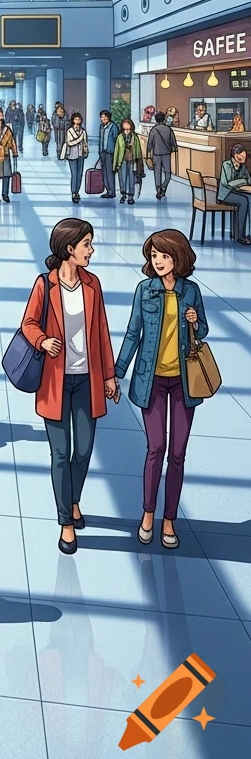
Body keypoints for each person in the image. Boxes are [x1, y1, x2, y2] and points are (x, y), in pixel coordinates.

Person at [19, 218, 117, 555]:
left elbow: (101, 331)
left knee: (85, 449)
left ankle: (73, 499)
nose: (91, 250)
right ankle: (65, 521)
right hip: (56, 382)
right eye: (86, 244)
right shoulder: (44, 286)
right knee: (60, 454)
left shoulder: (93, 284)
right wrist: (43, 341)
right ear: (69, 249)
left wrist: (108, 375)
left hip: (86, 380)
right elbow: (28, 323)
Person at [115, 230, 209, 550]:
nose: (157, 262)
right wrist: (116, 372)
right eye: (154, 256)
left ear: (177, 258)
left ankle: (169, 520)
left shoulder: (191, 291)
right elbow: (132, 333)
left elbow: (205, 330)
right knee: (156, 448)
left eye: (164, 256)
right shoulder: (145, 291)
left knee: (178, 454)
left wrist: (195, 321)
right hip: (151, 380)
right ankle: (148, 513)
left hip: (184, 382)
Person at [216, 141, 251, 244]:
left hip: (237, 192)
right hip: (225, 194)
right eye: (242, 156)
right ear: (236, 155)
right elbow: (227, 183)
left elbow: (248, 179)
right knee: (243, 201)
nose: (244, 159)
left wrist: (243, 181)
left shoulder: (242, 167)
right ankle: (240, 235)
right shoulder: (226, 165)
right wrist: (242, 181)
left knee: (249, 199)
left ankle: (247, 233)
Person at [145, 111, 178, 201]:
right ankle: (163, 188)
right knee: (168, 174)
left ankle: (158, 189)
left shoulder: (154, 130)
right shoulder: (169, 129)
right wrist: (174, 149)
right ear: (164, 119)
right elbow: (174, 143)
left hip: (156, 154)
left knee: (157, 173)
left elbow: (149, 144)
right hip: (166, 154)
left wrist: (148, 155)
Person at [113, 117, 144, 204]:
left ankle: (131, 195)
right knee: (122, 178)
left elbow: (138, 150)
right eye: (125, 128)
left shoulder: (134, 137)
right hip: (122, 160)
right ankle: (123, 194)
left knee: (131, 178)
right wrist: (115, 164)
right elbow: (117, 151)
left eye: (128, 128)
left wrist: (138, 162)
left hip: (132, 160)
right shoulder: (120, 137)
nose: (126, 130)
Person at [60, 112, 89, 204]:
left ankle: (77, 191)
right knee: (74, 174)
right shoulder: (69, 131)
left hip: (81, 155)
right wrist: (79, 140)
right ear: (73, 120)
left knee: (80, 174)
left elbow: (85, 143)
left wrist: (86, 150)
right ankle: (73, 192)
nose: (77, 121)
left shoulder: (83, 131)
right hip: (72, 155)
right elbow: (69, 142)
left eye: (79, 119)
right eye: (76, 119)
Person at [98, 110, 119, 199]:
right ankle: (107, 190)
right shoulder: (101, 127)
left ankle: (112, 191)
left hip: (110, 152)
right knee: (104, 172)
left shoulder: (113, 127)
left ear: (109, 117)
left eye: (105, 117)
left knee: (110, 172)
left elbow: (116, 139)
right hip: (103, 151)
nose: (104, 118)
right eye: (102, 117)